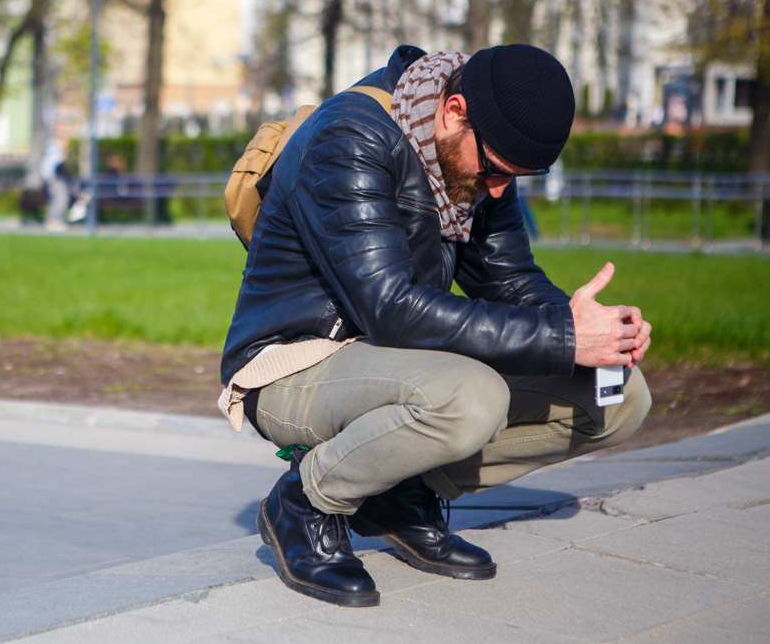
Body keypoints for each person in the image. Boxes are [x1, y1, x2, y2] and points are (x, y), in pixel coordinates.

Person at [219, 44, 652, 608]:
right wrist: (564, 337)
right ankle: (304, 503)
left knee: (618, 397)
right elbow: (391, 308)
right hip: (295, 362)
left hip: (393, 356)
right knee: (470, 399)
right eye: (495, 171)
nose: (499, 190)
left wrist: (596, 333)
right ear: (453, 111)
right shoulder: (351, 137)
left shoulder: (479, 149)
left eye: (516, 178)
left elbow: (510, 280)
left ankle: (396, 496)